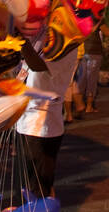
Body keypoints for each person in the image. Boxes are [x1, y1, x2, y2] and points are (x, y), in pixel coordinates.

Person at [15, 49, 78, 198]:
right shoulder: (43, 36)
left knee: (37, 189)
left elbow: (38, 65)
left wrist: (22, 39)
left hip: (41, 123)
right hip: (27, 120)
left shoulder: (66, 43)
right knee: (30, 185)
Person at [76, 27, 103, 115]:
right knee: (92, 79)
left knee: (82, 79)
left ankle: (79, 104)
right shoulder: (97, 19)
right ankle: (89, 106)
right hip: (94, 52)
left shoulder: (81, 18)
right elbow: (108, 32)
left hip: (83, 51)